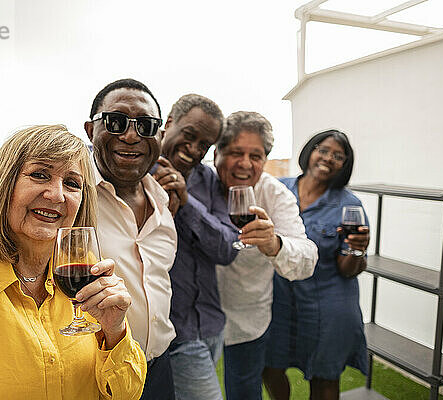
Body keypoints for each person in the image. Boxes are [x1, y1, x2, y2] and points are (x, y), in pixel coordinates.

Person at [0, 79, 178, 399]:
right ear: (4, 185)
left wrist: (115, 331)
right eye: (39, 174)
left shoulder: (84, 282)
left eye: (72, 183)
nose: (56, 195)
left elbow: (125, 393)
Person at [214, 111, 318, 400]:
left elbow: (307, 258)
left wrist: (274, 244)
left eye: (256, 155)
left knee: (244, 392)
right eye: (236, 152)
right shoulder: (200, 184)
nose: (245, 163)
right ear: (216, 153)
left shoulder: (274, 194)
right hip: (196, 317)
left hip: (247, 315)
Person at [262, 129, 370, 400]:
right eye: (323, 150)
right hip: (280, 299)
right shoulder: (277, 188)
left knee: (324, 378)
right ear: (311, 150)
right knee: (269, 366)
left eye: (338, 156)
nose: (328, 158)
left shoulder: (349, 205)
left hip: (328, 304)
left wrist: (357, 251)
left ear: (344, 166)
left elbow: (348, 269)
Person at [151, 94, 235, 400]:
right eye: (190, 136)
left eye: (205, 145)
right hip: (172, 331)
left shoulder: (207, 180)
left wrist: (187, 203)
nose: (195, 149)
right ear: (169, 122)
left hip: (211, 324)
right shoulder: (136, 172)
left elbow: (228, 249)